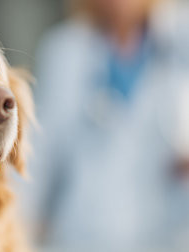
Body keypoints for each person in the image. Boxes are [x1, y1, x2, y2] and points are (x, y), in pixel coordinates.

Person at [26, 0, 189, 250]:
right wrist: (15, 229)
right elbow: (37, 158)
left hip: (169, 235)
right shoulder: (66, 50)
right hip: (83, 235)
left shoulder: (180, 37)